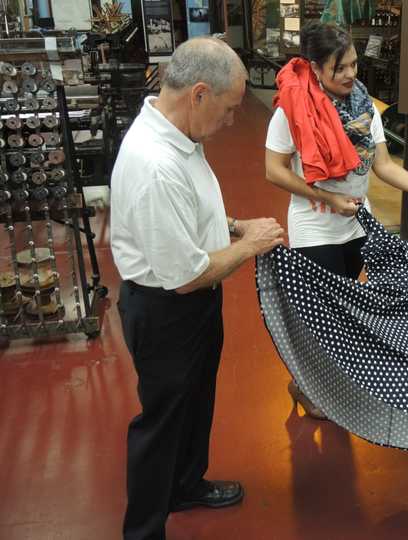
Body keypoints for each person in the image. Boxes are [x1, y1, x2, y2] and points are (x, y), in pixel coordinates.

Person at [111, 37, 284, 540]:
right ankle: (143, 530)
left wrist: (231, 226)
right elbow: (185, 276)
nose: (232, 121)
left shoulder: (179, 135)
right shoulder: (154, 164)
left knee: (195, 400)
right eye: (230, 110)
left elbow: (190, 211)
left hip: (190, 305)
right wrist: (251, 244)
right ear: (199, 94)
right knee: (163, 421)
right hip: (168, 307)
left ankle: (185, 485)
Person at [265, 21, 408, 420]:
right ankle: (304, 385)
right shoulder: (292, 109)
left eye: (353, 64)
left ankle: (332, 382)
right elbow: (274, 170)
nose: (351, 73)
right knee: (318, 317)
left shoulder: (366, 106)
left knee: (349, 308)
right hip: (315, 227)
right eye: (341, 68)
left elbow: (383, 165)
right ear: (316, 67)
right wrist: (326, 197)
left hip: (357, 225)